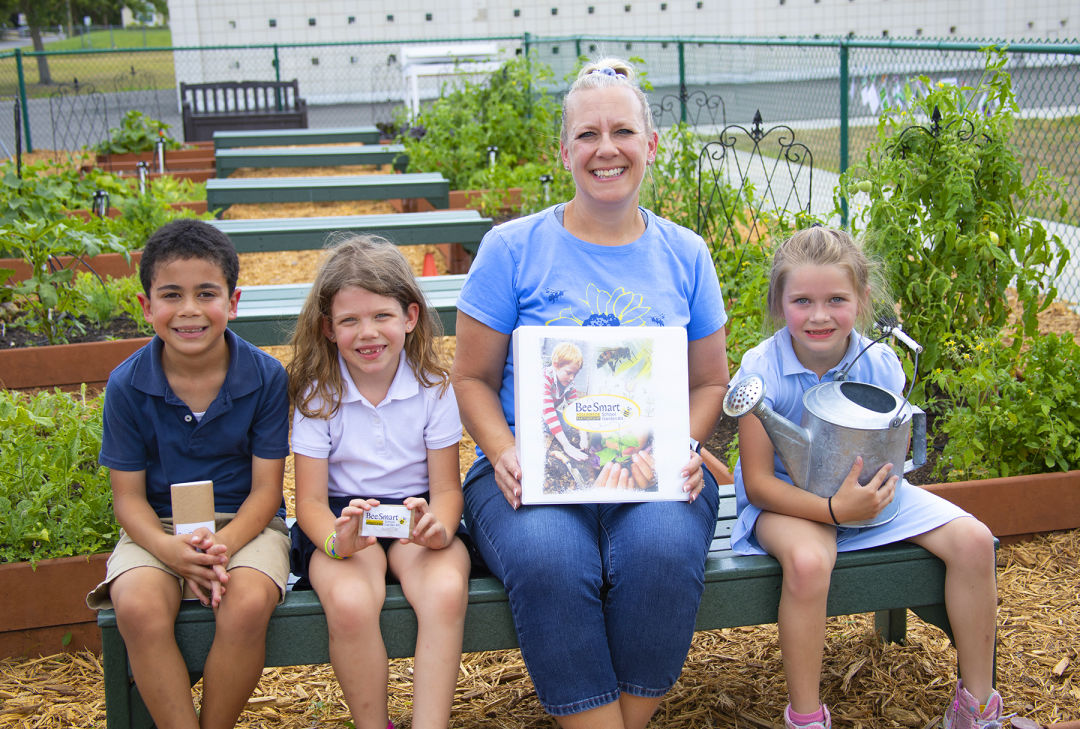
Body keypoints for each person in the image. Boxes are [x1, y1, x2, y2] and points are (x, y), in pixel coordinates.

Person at [451, 57, 730, 729]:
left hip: (652, 470)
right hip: (531, 473)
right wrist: (505, 449)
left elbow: (709, 381)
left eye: (623, 131)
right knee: (550, 557)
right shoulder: (511, 248)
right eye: (587, 135)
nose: (606, 149)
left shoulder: (685, 253)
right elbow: (471, 379)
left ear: (651, 144)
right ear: (565, 150)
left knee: (662, 548)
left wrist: (683, 444)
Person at [729, 227, 1002, 729]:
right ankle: (807, 717)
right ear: (778, 302)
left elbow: (894, 448)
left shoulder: (879, 361)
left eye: (836, 299)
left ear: (862, 299)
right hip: (789, 504)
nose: (818, 316)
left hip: (872, 499)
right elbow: (759, 485)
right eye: (801, 301)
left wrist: (868, 499)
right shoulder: (760, 368)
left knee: (975, 542)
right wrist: (835, 511)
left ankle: (977, 706)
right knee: (810, 562)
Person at [86, 219, 291, 729]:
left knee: (245, 605)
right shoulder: (127, 385)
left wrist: (221, 547)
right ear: (147, 305)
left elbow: (267, 492)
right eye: (171, 295)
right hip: (157, 527)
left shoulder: (265, 377)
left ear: (233, 300)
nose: (190, 311)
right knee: (135, 606)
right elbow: (128, 500)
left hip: (246, 527)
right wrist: (168, 549)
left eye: (207, 293)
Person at [287, 236, 470, 729]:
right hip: (345, 517)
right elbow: (306, 500)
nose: (367, 333)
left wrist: (440, 528)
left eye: (382, 316)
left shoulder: (433, 386)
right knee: (348, 603)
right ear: (328, 328)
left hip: (418, 512)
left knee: (447, 589)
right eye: (349, 320)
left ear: (410, 317)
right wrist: (334, 540)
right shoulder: (318, 394)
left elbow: (448, 490)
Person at [542, 341, 588, 461]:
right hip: (535, 413)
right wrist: (567, 446)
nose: (572, 377)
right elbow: (548, 412)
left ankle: (556, 434)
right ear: (556, 365)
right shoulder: (544, 380)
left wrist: (583, 436)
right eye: (569, 373)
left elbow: (576, 409)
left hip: (548, 412)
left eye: (575, 374)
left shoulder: (569, 383)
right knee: (549, 425)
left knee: (566, 424)